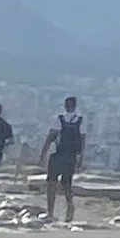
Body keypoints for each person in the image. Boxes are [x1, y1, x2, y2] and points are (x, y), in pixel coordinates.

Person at [42, 97, 86, 226]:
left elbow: (50, 137)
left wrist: (43, 152)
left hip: (58, 155)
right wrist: (81, 159)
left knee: (51, 184)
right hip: (71, 157)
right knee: (67, 185)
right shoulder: (80, 121)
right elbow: (83, 141)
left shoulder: (59, 119)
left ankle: (50, 212)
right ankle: (69, 207)